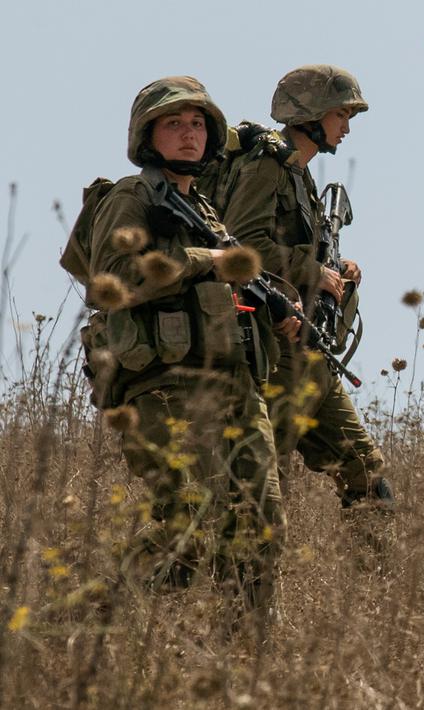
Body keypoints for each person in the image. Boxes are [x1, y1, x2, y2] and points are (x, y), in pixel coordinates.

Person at [66, 76, 286, 616]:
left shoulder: (208, 212)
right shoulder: (131, 195)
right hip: (163, 385)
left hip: (234, 383)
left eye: (196, 124)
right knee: (189, 520)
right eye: (173, 123)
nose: (188, 134)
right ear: (148, 134)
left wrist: (275, 310)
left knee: (260, 522)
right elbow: (110, 279)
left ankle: (249, 658)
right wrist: (204, 261)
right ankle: (79, 621)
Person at [205, 65, 393, 511]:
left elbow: (292, 242)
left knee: (367, 474)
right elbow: (243, 244)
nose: (346, 127)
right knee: (263, 484)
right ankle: (236, 575)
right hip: (277, 347)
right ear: (311, 113)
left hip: (313, 349)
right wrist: (310, 270)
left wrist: (337, 268)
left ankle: (376, 583)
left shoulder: (298, 172)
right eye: (340, 114)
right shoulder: (266, 166)